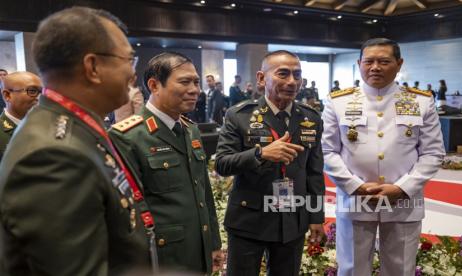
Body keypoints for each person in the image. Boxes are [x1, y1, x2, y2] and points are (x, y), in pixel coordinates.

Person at [0, 7, 154, 275]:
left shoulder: (76, 127)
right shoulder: (53, 154)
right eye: (129, 60)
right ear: (92, 67)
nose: (132, 73)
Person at [322, 38, 445, 276]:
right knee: (351, 270)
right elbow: (328, 151)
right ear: (359, 63)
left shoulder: (421, 101)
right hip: (355, 200)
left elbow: (433, 152)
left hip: (404, 202)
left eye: (384, 61)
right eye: (369, 61)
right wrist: (355, 186)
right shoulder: (339, 101)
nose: (375, 67)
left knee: (400, 270)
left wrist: (403, 188)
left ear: (399, 64)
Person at [110, 52, 223, 275]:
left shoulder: (191, 130)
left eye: (196, 82)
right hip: (160, 257)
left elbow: (204, 193)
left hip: (197, 248)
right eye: (184, 81)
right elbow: (126, 213)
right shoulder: (128, 137)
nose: (194, 89)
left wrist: (213, 242)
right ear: (154, 85)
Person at [215, 50, 325, 276]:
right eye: (283, 74)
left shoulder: (310, 118)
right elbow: (223, 164)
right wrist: (260, 154)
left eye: (297, 75)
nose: (292, 82)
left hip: (292, 221)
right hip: (249, 219)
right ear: (261, 78)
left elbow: (314, 172)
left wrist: (316, 217)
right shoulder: (240, 115)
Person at [0, 72, 41, 161]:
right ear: (7, 95)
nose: (40, 98)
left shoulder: (46, 124)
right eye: (32, 91)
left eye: (43, 92)